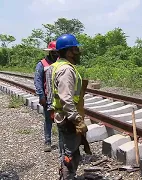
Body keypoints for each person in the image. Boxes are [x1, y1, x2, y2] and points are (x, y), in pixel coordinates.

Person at [52, 34, 91, 179]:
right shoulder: (66, 70)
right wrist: (77, 119)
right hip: (68, 118)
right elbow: (66, 99)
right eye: (75, 49)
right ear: (68, 51)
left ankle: (68, 175)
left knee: (67, 150)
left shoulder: (56, 66)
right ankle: (68, 176)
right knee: (70, 152)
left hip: (62, 115)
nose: (78, 52)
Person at [33, 41, 59, 152]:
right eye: (54, 52)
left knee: (61, 120)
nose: (56, 54)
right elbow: (37, 81)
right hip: (47, 97)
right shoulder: (42, 64)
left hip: (58, 97)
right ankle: (47, 141)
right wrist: (41, 96)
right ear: (50, 52)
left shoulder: (60, 63)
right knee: (48, 120)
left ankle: (62, 143)